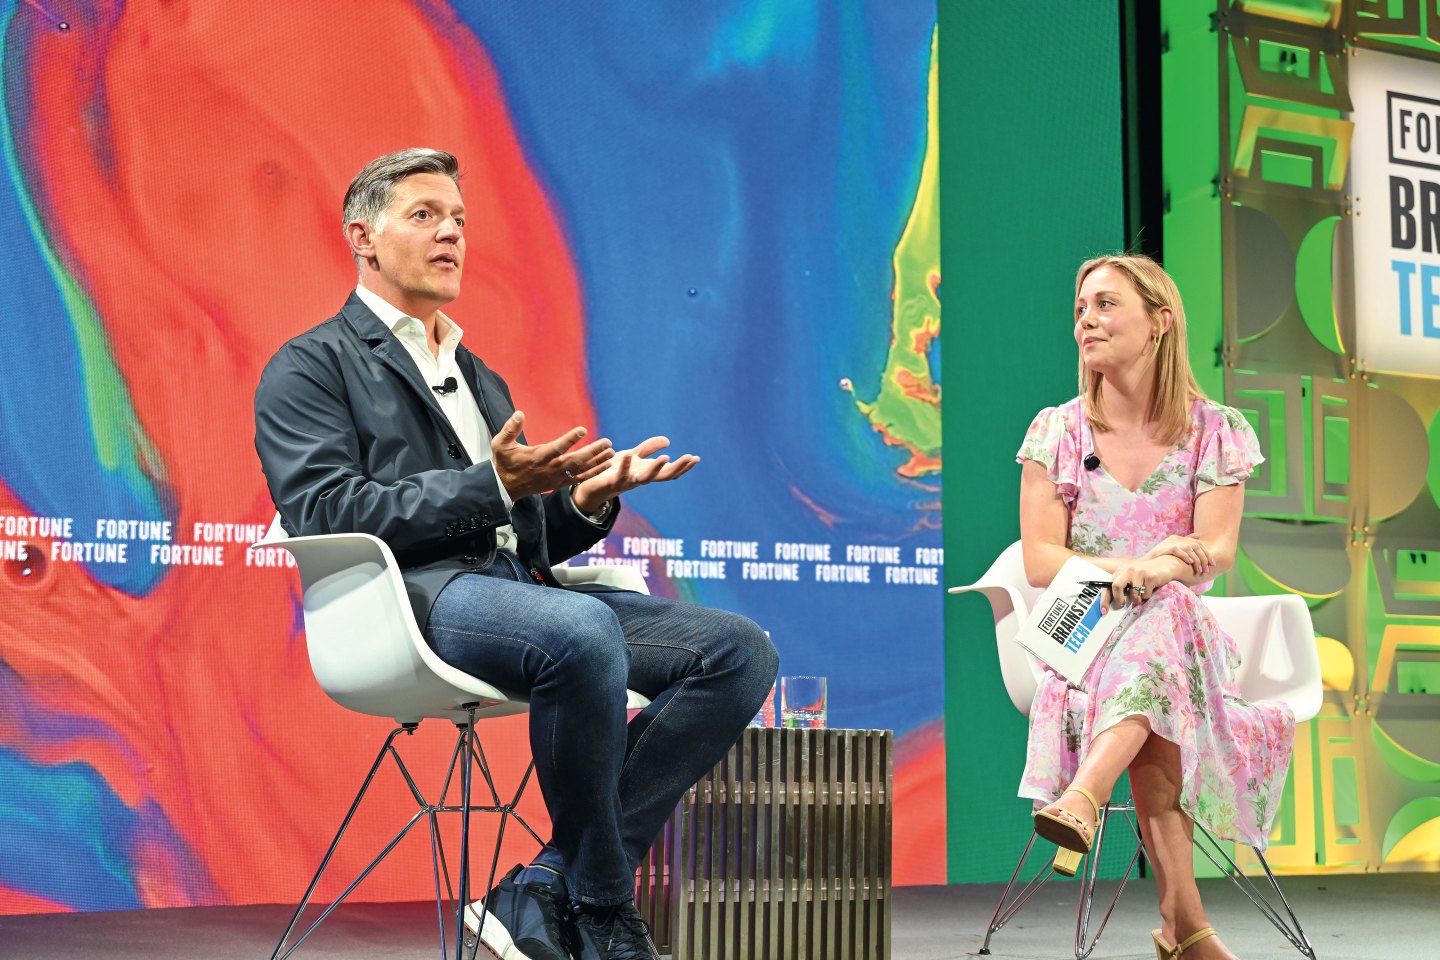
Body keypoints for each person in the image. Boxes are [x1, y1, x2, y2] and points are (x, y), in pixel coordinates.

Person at [254, 148, 778, 960]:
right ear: (362, 236)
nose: (450, 233)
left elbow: (527, 539)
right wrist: (489, 485)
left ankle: (540, 887)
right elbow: (324, 510)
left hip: (519, 595)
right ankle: (603, 908)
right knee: (577, 632)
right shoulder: (311, 365)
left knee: (737, 652)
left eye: (459, 219)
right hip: (413, 599)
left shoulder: (478, 375)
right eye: (424, 215)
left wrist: (586, 502)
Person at [1015, 254, 1293, 960]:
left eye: (1106, 305)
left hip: (1178, 636)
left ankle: (1084, 798)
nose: (1087, 321)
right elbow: (1042, 559)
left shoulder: (1215, 428)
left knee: (1164, 621)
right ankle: (1185, 929)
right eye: (1081, 309)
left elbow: (1217, 548)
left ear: (1159, 321)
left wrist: (1159, 571)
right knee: (1159, 638)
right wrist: (1135, 566)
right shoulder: (1058, 430)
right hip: (1080, 630)